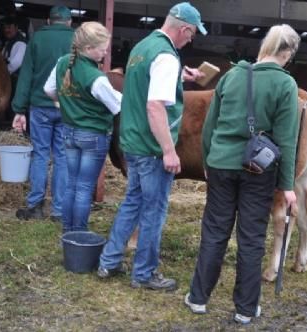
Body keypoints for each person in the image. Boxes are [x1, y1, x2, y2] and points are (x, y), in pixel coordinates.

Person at [184, 24, 300, 324]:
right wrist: (287, 186)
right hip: (258, 170)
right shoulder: (286, 85)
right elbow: (286, 140)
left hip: (221, 164)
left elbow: (210, 126)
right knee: (250, 238)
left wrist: (209, 162)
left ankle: (198, 297)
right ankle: (245, 309)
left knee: (214, 231)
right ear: (287, 53)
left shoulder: (233, 75)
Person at [97, 2, 207, 291]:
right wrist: (169, 151)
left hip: (131, 142)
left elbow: (147, 80)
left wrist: (183, 76)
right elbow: (155, 105)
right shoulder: (167, 57)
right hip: (151, 148)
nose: (191, 39)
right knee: (154, 210)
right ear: (183, 28)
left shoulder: (143, 47)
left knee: (132, 202)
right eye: (192, 33)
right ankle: (144, 273)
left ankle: (109, 261)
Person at [43, 21, 122, 233]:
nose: (106, 52)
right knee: (85, 187)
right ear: (88, 49)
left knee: (72, 184)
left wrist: (65, 103)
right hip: (93, 136)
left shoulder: (63, 62)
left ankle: (68, 230)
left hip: (69, 131)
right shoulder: (96, 78)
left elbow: (49, 89)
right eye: (103, 48)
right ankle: (79, 232)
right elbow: (116, 107)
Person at [12, 6, 74, 222]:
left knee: (40, 154)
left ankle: (36, 207)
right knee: (63, 157)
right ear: (69, 21)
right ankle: (58, 210)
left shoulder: (37, 38)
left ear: (48, 20)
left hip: (40, 105)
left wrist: (19, 107)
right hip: (67, 107)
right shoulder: (77, 39)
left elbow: (26, 73)